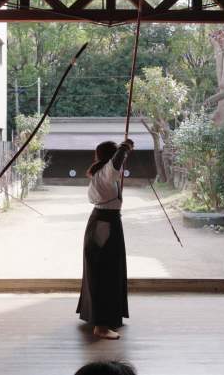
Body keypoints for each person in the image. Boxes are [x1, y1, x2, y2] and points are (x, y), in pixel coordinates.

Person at [76, 139, 134, 340]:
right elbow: (117, 161)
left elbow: (116, 163)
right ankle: (101, 326)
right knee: (104, 272)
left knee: (108, 269)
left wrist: (123, 150)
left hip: (104, 222)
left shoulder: (104, 174)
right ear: (111, 156)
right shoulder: (107, 172)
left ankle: (104, 317)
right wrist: (124, 148)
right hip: (105, 225)